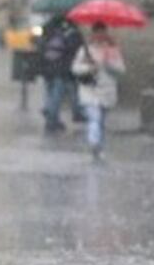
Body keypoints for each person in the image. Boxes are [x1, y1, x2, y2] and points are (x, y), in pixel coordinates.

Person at [71, 21, 125, 161]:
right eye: (97, 33)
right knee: (94, 118)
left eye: (103, 33)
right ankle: (94, 143)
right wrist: (89, 68)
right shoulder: (85, 50)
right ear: (93, 34)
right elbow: (75, 68)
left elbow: (121, 70)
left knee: (101, 121)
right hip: (90, 90)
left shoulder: (112, 50)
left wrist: (108, 64)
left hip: (107, 90)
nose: (100, 36)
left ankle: (99, 147)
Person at [38, 15, 86, 133]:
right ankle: (52, 120)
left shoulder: (48, 32)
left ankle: (50, 113)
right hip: (62, 69)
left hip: (47, 67)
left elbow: (40, 47)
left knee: (50, 93)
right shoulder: (72, 34)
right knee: (57, 95)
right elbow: (77, 51)